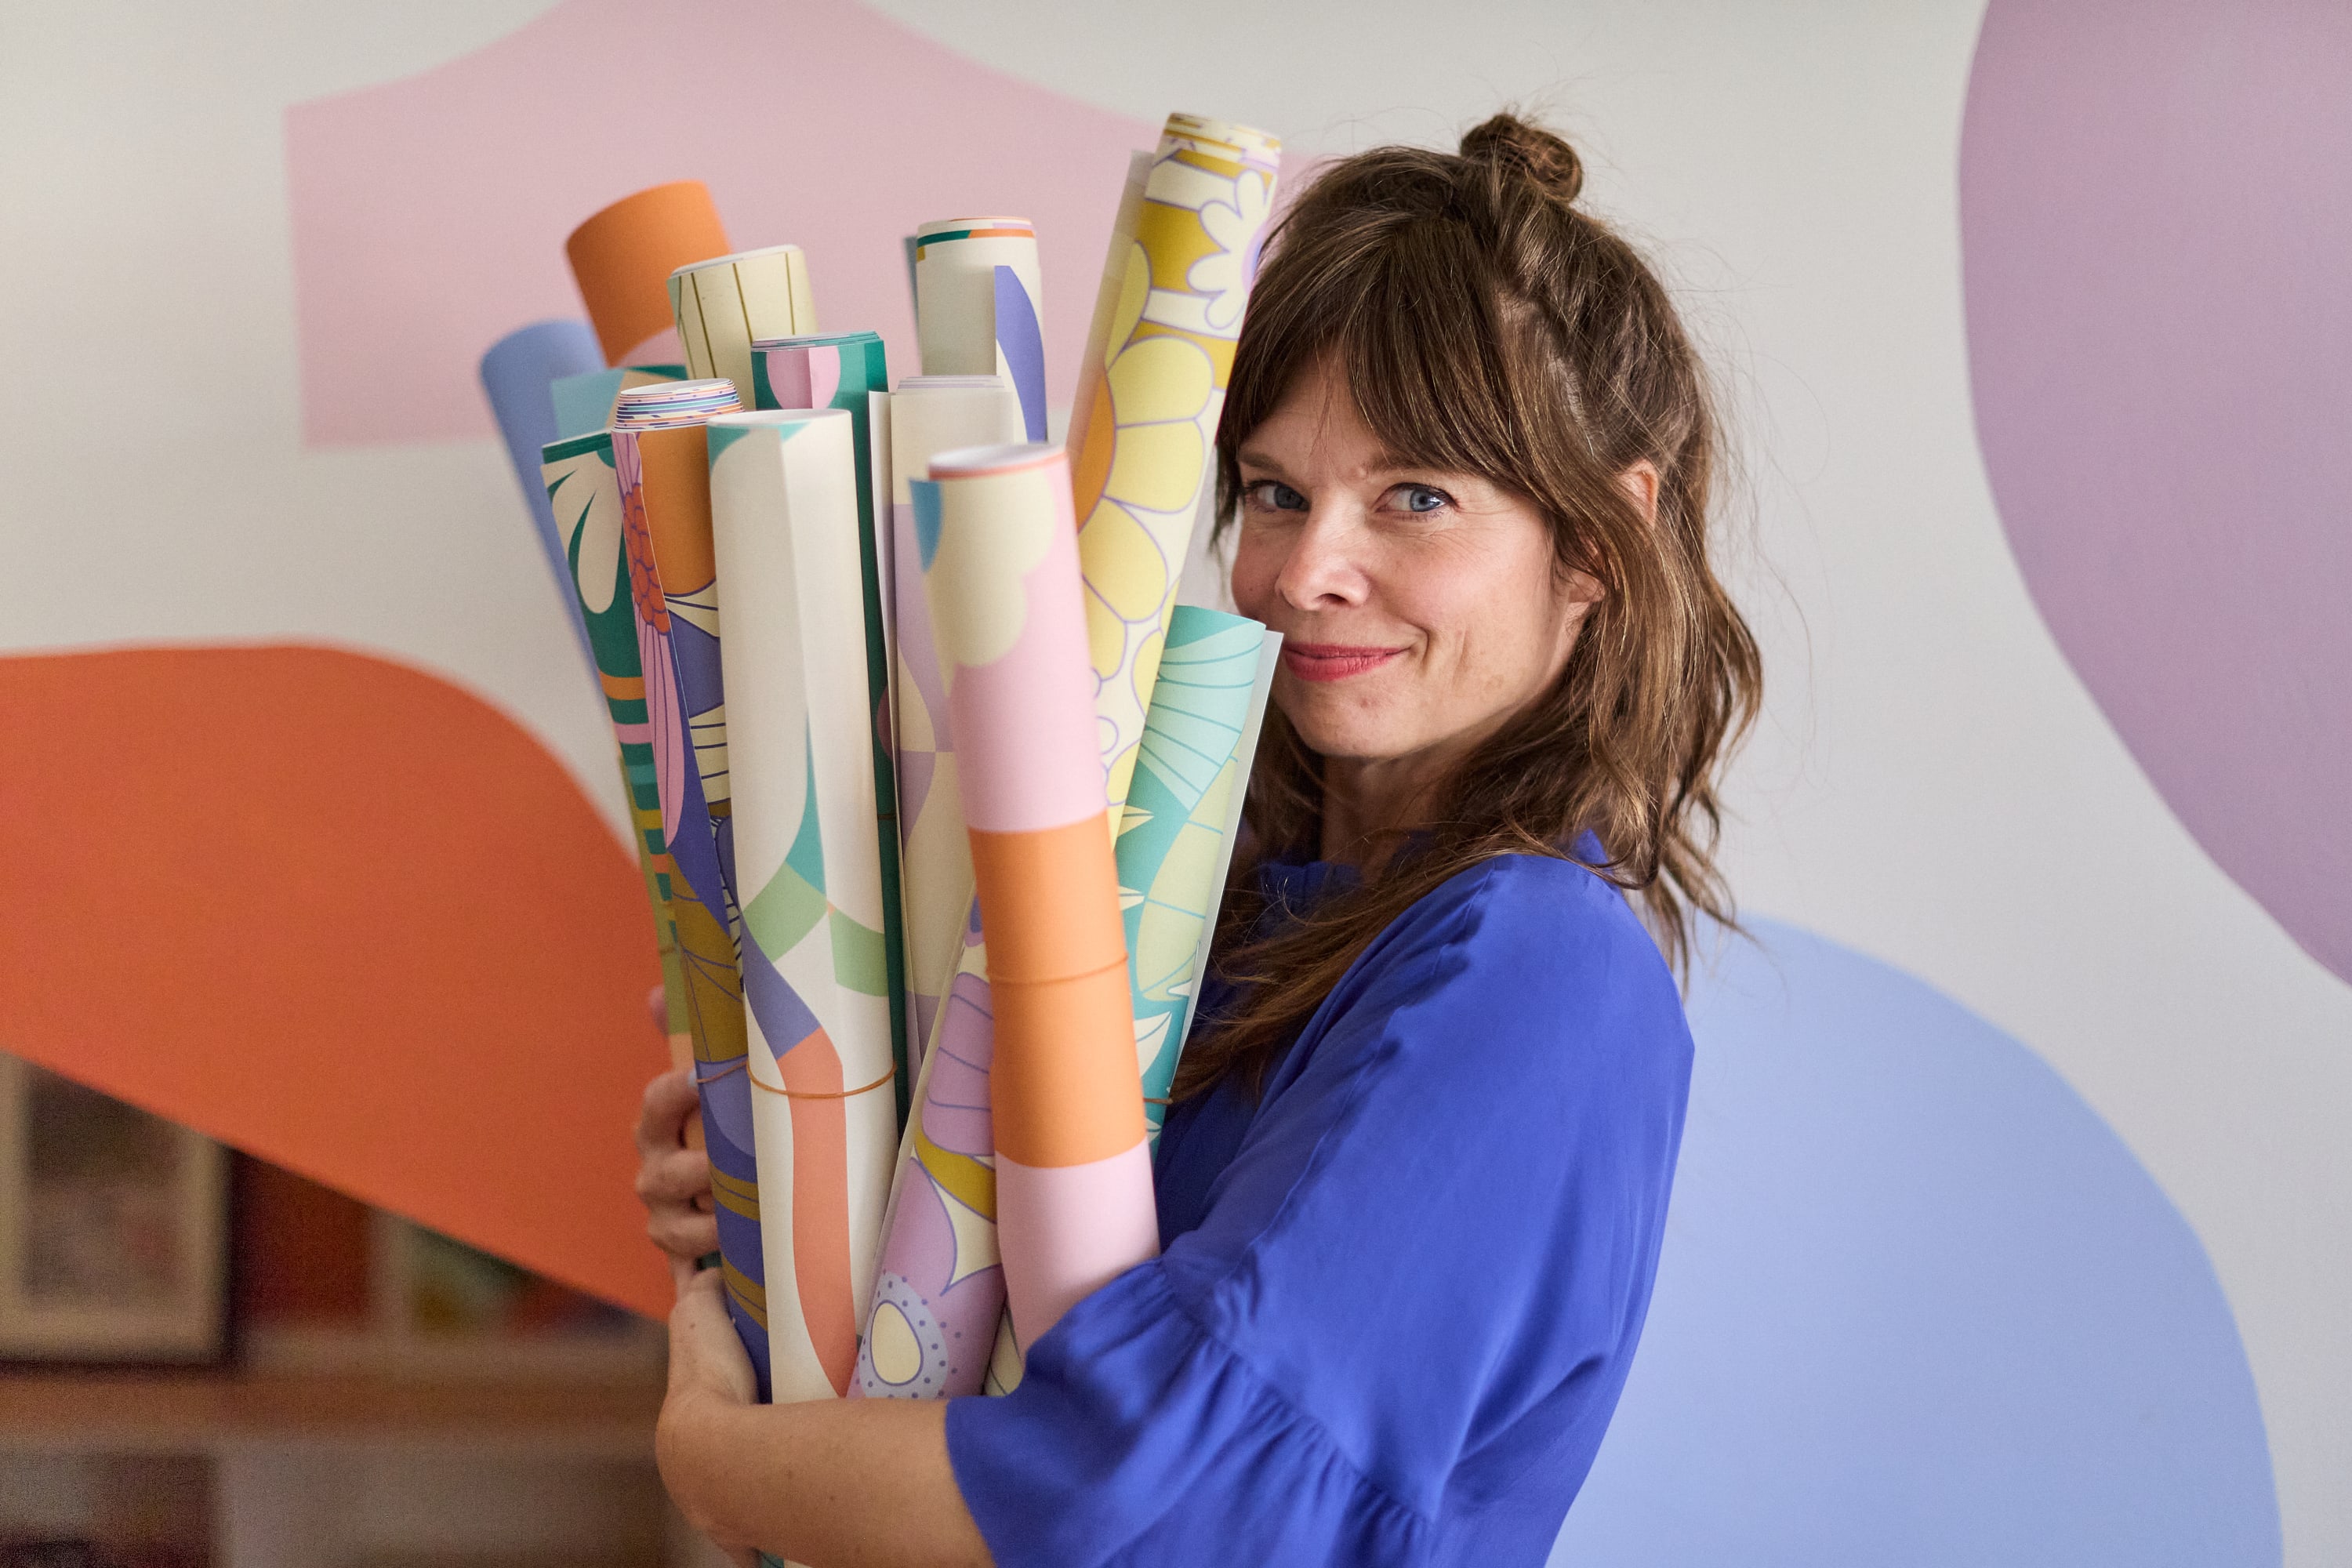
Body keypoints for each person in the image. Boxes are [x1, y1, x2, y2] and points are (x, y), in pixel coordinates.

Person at [635, 111, 1761, 1567]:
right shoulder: (1194, 908)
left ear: (1602, 542)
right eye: (1279, 493)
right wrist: (794, 1174)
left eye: (1415, 497)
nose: (1305, 572)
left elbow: (1163, 1496)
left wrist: (717, 1461)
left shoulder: (1537, 969)